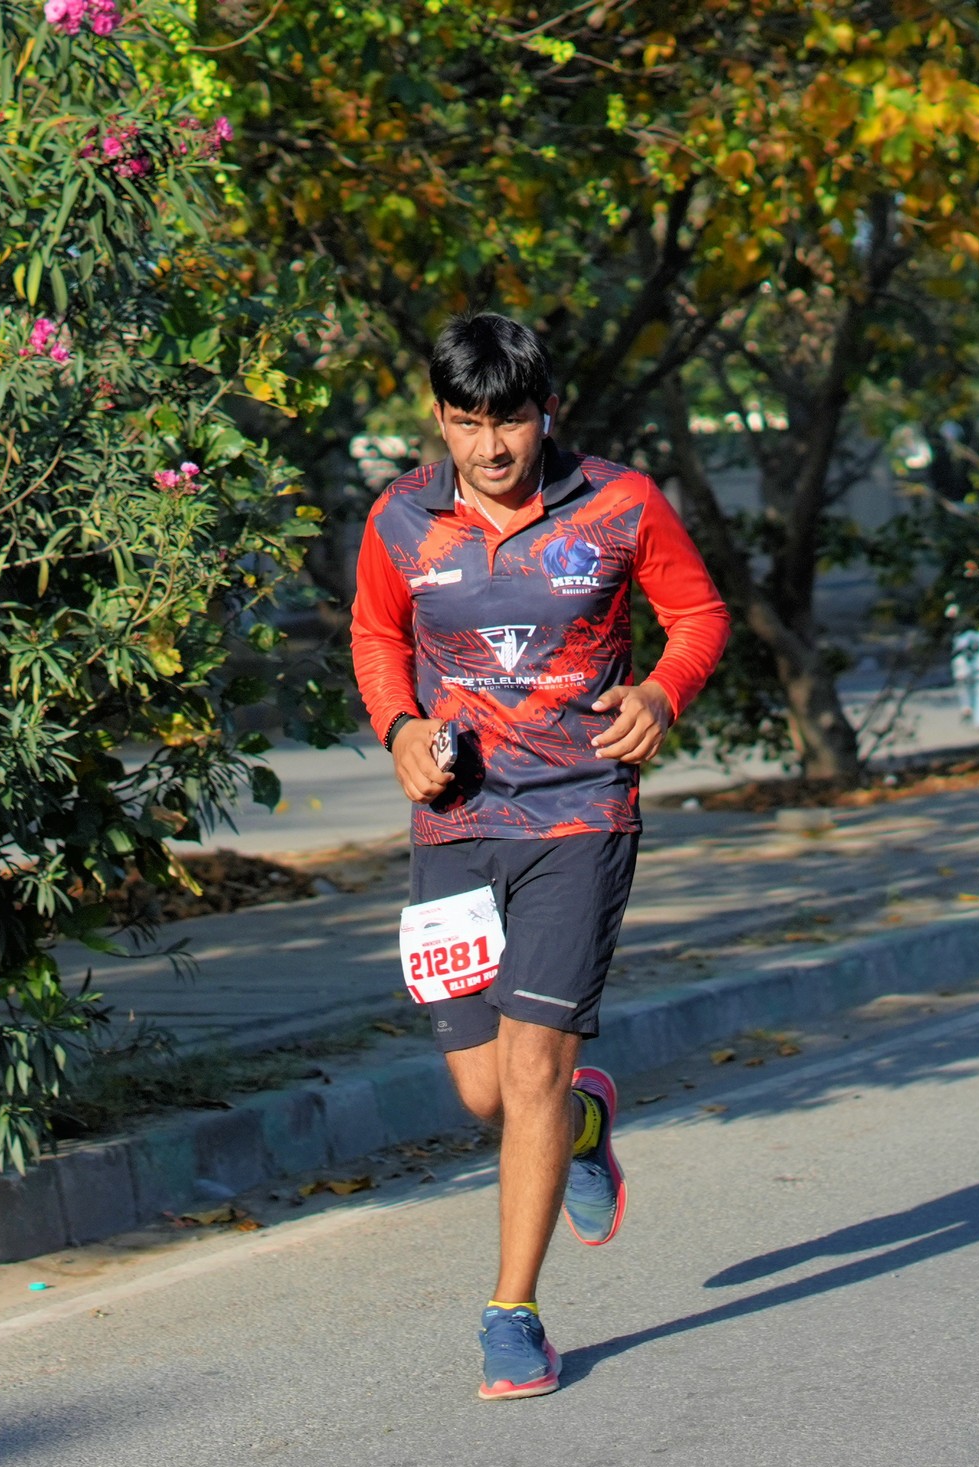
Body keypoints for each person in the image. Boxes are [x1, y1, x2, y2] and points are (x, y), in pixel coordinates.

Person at [350, 314, 730, 1399]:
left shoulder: (620, 503)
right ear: (440, 418)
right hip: (455, 821)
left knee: (530, 1074)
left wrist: (661, 693)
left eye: (509, 420)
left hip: (579, 813)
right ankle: (586, 1119)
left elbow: (698, 613)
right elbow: (376, 636)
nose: (490, 447)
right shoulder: (400, 518)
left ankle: (511, 1313)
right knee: (485, 1091)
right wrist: (398, 729)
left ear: (545, 410)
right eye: (466, 423)